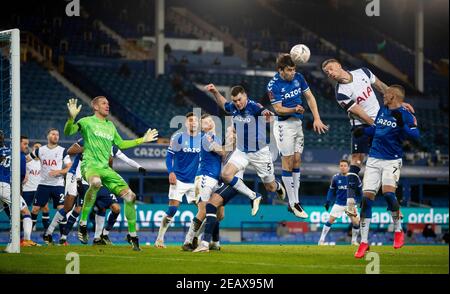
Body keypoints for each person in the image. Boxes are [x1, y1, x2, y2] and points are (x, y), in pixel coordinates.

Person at [321, 59, 415, 218]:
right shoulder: (341, 93)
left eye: (330, 68)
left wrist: (398, 103)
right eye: (326, 72)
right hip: (362, 125)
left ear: (339, 65)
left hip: (379, 122)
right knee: (357, 160)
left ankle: (393, 206)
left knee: (387, 161)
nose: (329, 73)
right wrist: (377, 125)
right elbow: (360, 113)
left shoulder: (363, 72)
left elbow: (381, 86)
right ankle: (350, 203)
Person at [64, 97, 158, 251]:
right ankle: (82, 224)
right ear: (95, 106)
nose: (107, 105)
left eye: (108, 103)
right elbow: (68, 132)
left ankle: (133, 236)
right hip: (91, 166)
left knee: (131, 196)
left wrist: (142, 140)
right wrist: (71, 117)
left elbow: (121, 144)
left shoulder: (111, 126)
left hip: (106, 169)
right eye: (103, 103)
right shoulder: (87, 121)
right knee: (95, 183)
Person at [354, 85, 419, 258]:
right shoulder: (383, 110)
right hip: (374, 159)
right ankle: (364, 242)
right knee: (366, 200)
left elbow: (416, 136)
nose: (383, 95)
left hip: (392, 160)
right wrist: (364, 131)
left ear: (393, 96)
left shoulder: (406, 115)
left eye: (386, 94)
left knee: (389, 194)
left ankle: (398, 231)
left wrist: (401, 123)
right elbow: (378, 129)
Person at [268, 54, 328, 218]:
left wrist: (317, 117)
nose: (293, 72)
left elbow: (309, 97)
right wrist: (294, 109)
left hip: (297, 124)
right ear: (281, 70)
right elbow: (278, 109)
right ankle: (293, 203)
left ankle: (296, 200)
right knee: (287, 162)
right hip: (283, 126)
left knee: (296, 161)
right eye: (289, 70)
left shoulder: (299, 78)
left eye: (294, 69)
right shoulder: (273, 85)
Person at [205, 84, 286, 203]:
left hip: (260, 153)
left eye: (239, 99)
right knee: (226, 175)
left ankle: (278, 186)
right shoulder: (233, 107)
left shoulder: (254, 106)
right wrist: (215, 92)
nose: (237, 103)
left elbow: (263, 111)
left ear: (245, 96)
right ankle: (253, 196)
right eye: (235, 101)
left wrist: (267, 115)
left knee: (270, 188)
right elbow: (224, 104)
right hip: (242, 150)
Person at [154, 112, 201, 248]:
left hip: (195, 181)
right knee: (173, 210)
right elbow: (169, 157)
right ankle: (160, 239)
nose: (193, 123)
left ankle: (193, 238)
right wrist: (171, 172)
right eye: (190, 120)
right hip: (179, 179)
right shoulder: (178, 137)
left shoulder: (203, 138)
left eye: (195, 121)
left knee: (203, 210)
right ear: (186, 123)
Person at [28, 128, 72, 244]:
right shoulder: (40, 150)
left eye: (57, 134)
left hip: (58, 185)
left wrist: (59, 172)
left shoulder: (63, 151)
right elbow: (27, 159)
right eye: (53, 134)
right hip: (43, 185)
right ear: (47, 136)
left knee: (62, 210)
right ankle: (28, 238)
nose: (56, 136)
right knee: (35, 209)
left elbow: (69, 167)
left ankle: (63, 239)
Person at [0, 133, 37, 247]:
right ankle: (26, 240)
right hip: (6, 187)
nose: (26, 146)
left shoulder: (2, 151)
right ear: (17, 143)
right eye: (24, 143)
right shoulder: (19, 155)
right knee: (26, 212)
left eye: (27, 144)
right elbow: (21, 174)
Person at [318, 160, 361, 245]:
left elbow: (360, 190)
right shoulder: (336, 178)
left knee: (356, 222)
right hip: (339, 203)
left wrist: (362, 201)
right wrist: (328, 201)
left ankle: (354, 241)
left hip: (351, 204)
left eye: (345, 166)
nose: (343, 167)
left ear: (348, 167)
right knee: (330, 220)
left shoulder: (354, 177)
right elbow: (331, 190)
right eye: (341, 166)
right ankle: (321, 240)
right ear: (339, 167)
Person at [22, 142, 41, 208]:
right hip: (27, 189)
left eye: (39, 147)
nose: (37, 148)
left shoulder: (43, 162)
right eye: (36, 146)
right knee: (24, 209)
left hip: (38, 190)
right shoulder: (26, 159)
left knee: (40, 209)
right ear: (33, 148)